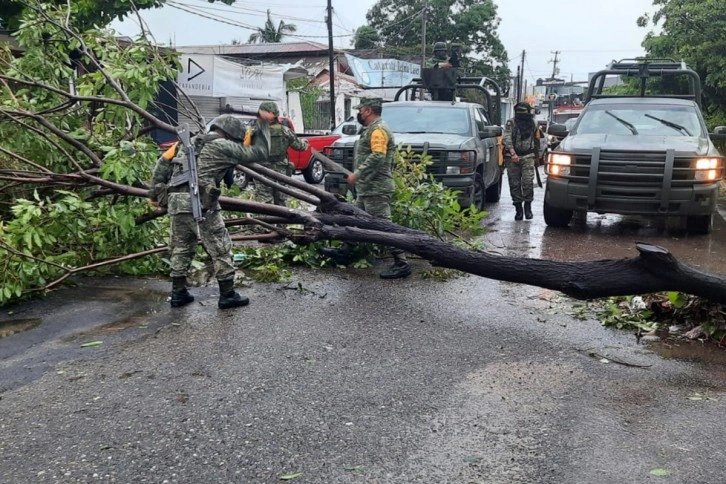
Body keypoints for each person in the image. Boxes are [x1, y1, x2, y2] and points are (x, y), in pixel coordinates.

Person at [148, 114, 270, 309]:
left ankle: (178, 293)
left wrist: (154, 194)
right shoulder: (223, 146)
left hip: (176, 203)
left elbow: (162, 163)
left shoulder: (185, 142)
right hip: (201, 203)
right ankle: (228, 295)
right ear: (231, 134)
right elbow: (253, 155)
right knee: (220, 247)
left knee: (181, 247)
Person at [318, 98, 412, 279]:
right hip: (368, 188)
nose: (359, 114)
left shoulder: (378, 130)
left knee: (384, 225)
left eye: (360, 110)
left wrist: (357, 173)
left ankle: (402, 263)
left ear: (368, 111)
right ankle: (345, 251)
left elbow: (378, 156)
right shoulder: (371, 129)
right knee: (354, 219)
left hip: (377, 188)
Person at [253, 101, 309, 206]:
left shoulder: (254, 132)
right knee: (281, 202)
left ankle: (266, 222)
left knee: (264, 204)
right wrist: (305, 142)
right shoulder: (285, 131)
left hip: (262, 172)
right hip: (281, 173)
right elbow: (300, 147)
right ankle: (281, 222)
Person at [502, 101, 542, 220]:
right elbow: (506, 138)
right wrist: (513, 153)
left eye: (524, 111)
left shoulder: (534, 123)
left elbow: (537, 140)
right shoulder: (511, 123)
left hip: (528, 156)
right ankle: (518, 209)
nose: (521, 114)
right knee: (514, 184)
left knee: (528, 183)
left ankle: (528, 207)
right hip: (512, 157)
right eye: (519, 111)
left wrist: (537, 157)